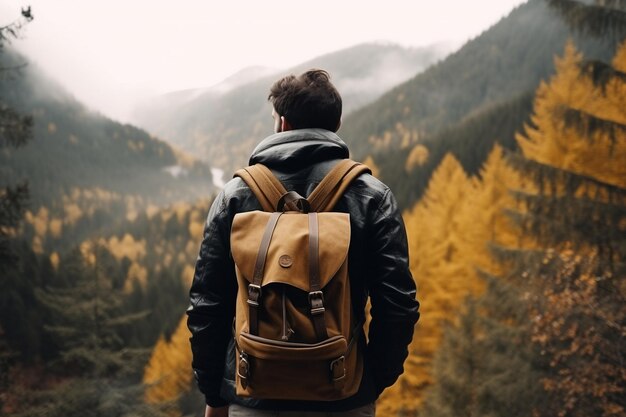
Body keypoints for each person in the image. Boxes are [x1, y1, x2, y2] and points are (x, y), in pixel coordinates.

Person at [187, 69, 420, 417]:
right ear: (336, 125)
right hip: (343, 393)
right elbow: (398, 306)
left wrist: (216, 392)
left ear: (282, 123)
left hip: (252, 395)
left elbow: (207, 305)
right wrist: (371, 381)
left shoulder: (236, 196)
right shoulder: (371, 197)